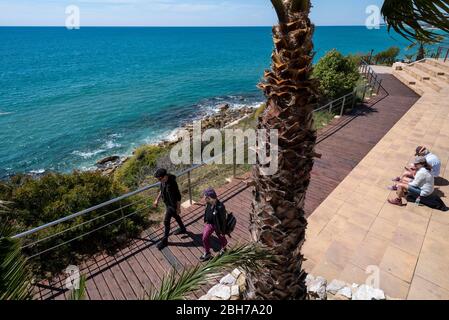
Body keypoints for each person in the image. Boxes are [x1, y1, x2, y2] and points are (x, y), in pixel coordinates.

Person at [153, 168, 187, 250]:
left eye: (160, 178)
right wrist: (157, 200)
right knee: (176, 216)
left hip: (173, 205)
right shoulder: (163, 182)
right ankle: (183, 229)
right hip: (167, 204)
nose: (159, 180)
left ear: (165, 176)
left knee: (166, 221)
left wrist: (178, 208)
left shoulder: (172, 183)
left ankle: (165, 241)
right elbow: (161, 191)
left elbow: (178, 197)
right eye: (158, 179)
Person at [200, 188, 228, 261]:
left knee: (221, 237)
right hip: (209, 224)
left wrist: (223, 231)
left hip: (218, 225)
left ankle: (224, 249)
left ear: (209, 198)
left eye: (205, 197)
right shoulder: (208, 203)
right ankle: (207, 253)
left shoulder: (220, 207)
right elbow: (207, 211)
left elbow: (223, 220)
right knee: (204, 238)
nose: (204, 198)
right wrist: (206, 219)